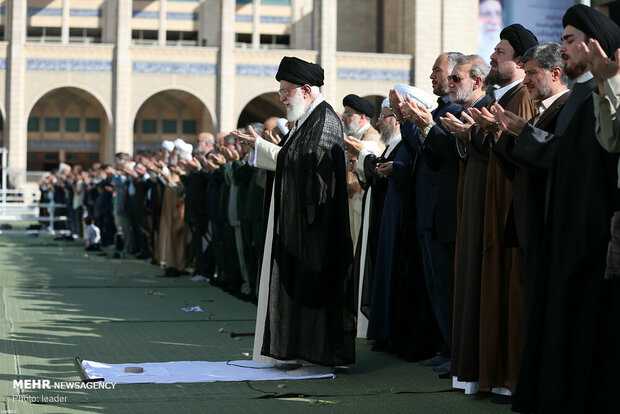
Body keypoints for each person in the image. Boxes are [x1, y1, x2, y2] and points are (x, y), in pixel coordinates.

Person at [491, 6, 620, 413]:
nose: (562, 47)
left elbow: (587, 159)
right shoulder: (585, 95)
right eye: (562, 39)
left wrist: (523, 133)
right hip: (563, 232)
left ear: (595, 44)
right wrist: (519, 133)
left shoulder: (593, 94)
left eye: (568, 39)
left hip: (591, 238)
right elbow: (565, 158)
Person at [232, 56, 355, 373]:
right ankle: (296, 350)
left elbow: (307, 159)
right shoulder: (309, 119)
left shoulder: (326, 119)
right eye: (281, 91)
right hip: (301, 221)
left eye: (286, 91)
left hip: (317, 224)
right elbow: (294, 156)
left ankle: (316, 352)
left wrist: (262, 146)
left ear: (306, 89)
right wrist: (261, 148)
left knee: (314, 289)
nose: (282, 97)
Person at [394, 52, 464, 373]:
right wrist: (408, 121)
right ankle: (447, 346)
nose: (432, 76)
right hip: (427, 211)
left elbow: (442, 154)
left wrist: (417, 122)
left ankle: (456, 349)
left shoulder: (456, 111)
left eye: (437, 70)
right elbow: (420, 149)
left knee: (449, 287)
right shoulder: (442, 111)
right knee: (437, 287)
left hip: (443, 211)